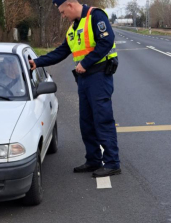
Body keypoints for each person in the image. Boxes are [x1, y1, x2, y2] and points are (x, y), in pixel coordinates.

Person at [29, 0, 121, 178]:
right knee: (86, 122)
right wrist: (37, 62)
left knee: (102, 120)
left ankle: (112, 163)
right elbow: (61, 52)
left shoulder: (96, 16)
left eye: (63, 12)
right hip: (84, 79)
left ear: (70, 5)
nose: (63, 16)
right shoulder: (73, 28)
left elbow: (107, 41)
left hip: (99, 76)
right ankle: (93, 159)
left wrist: (85, 63)